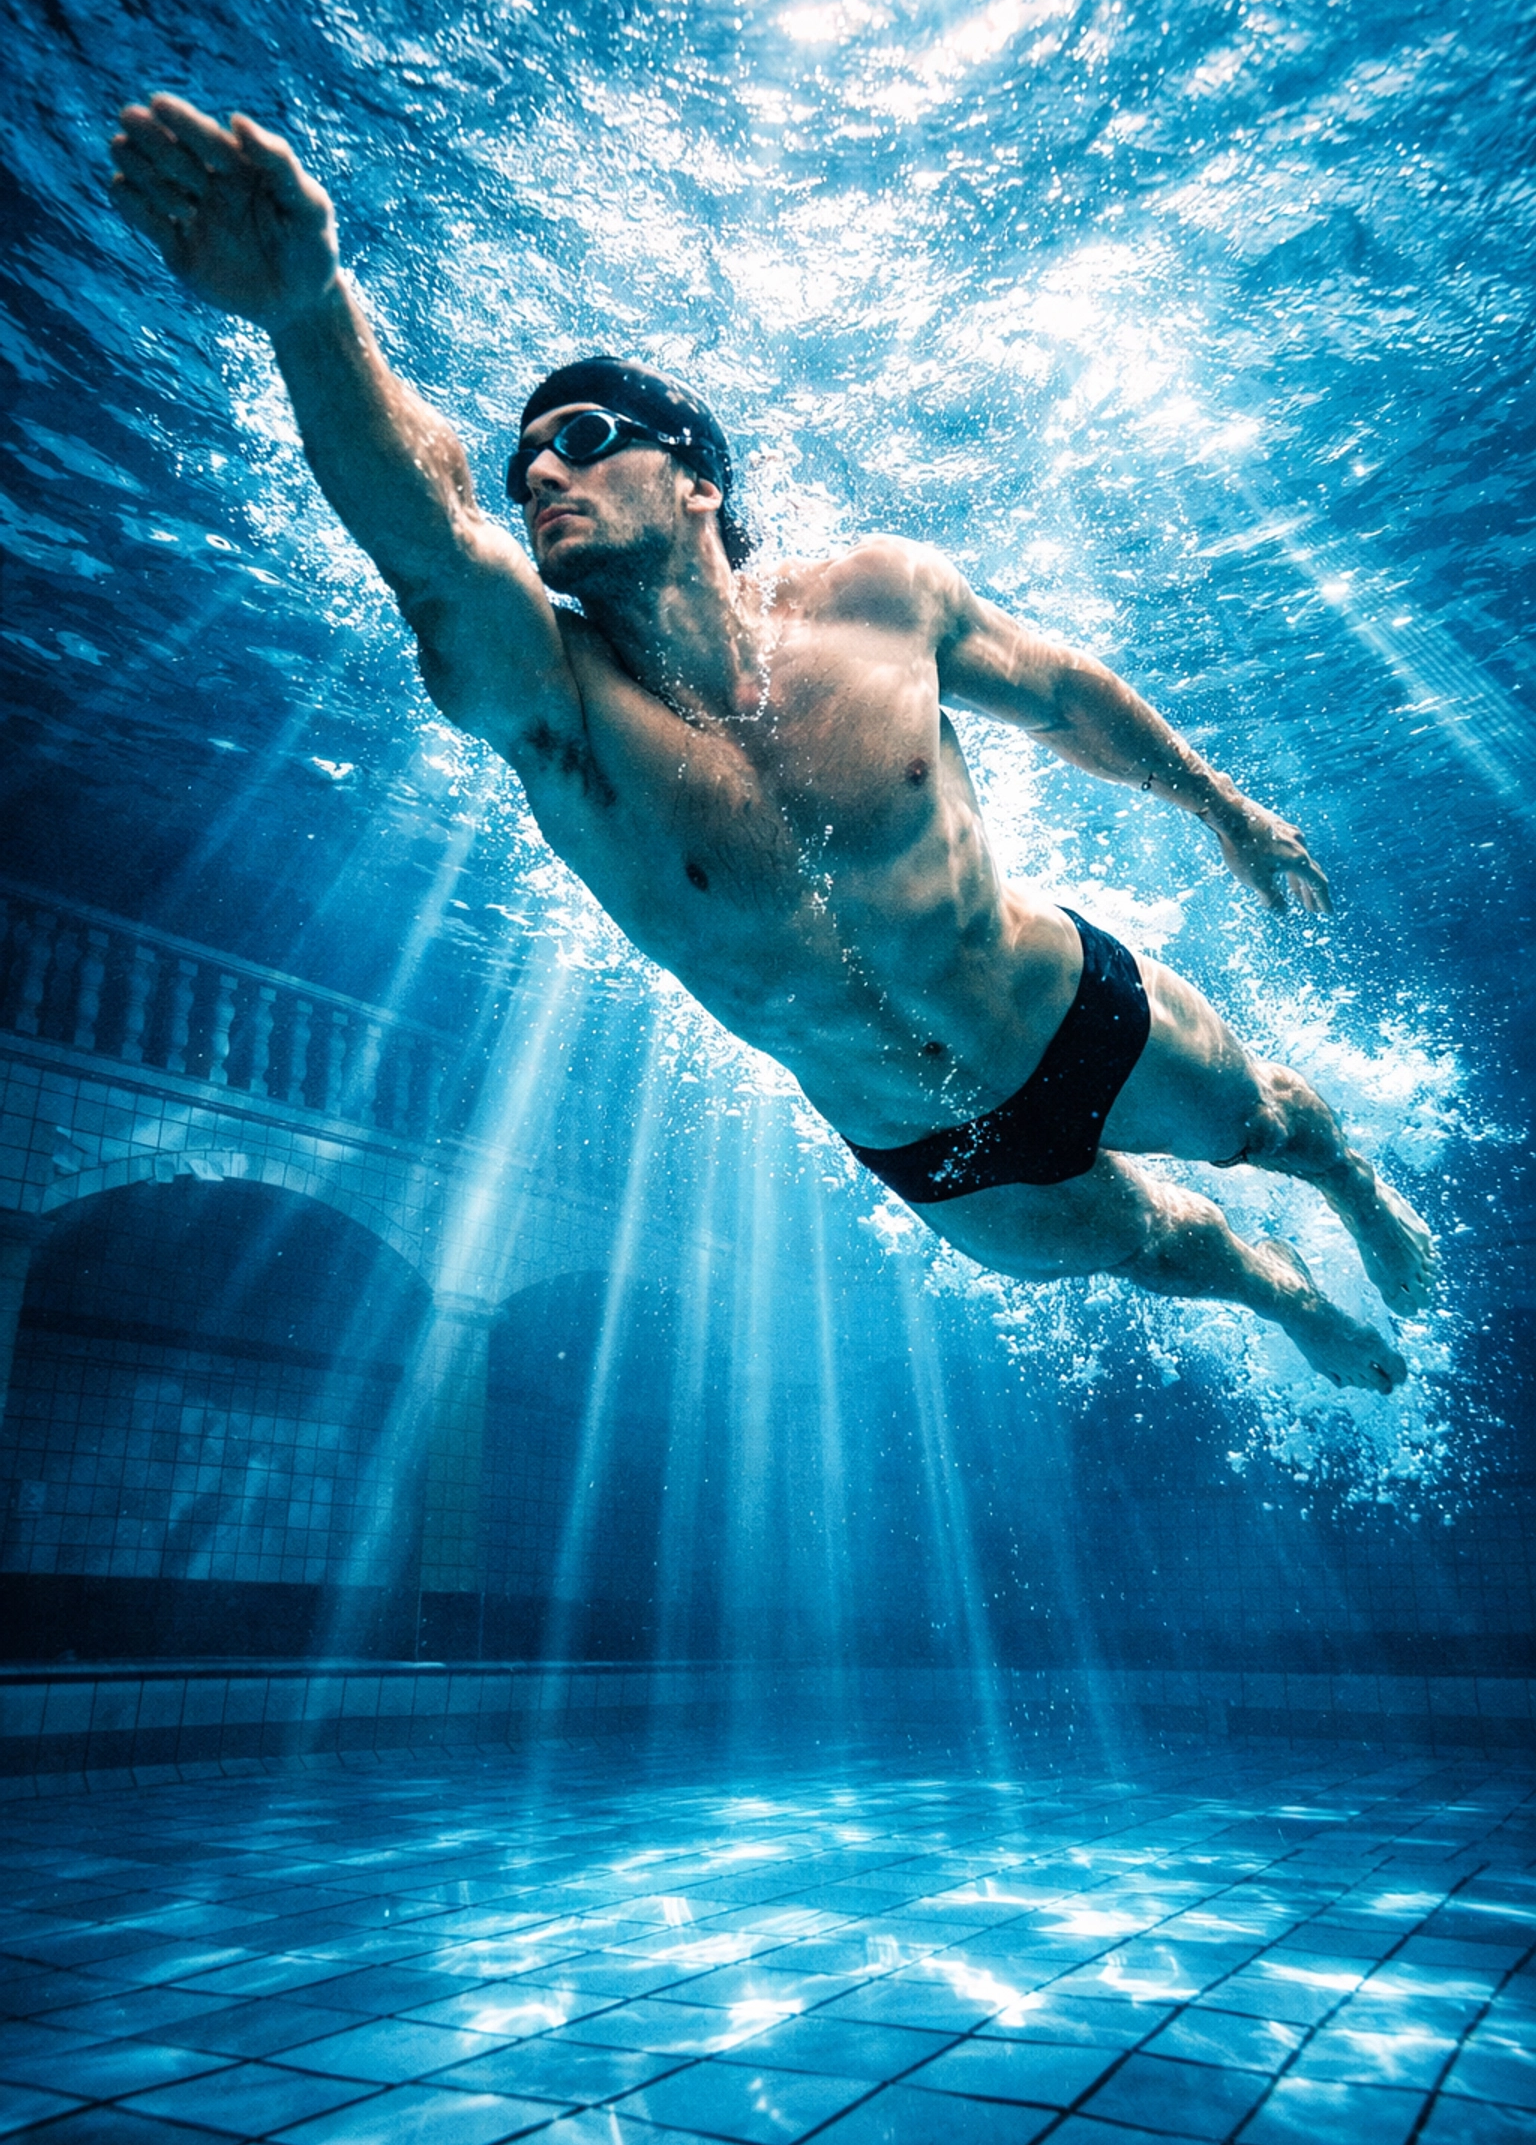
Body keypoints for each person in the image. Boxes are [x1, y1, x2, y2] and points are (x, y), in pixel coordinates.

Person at [109, 93, 1436, 1394]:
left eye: (578, 443)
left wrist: (1221, 811)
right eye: (525, 475)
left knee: (1276, 1126)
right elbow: (434, 538)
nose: (540, 483)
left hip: (1067, 1011)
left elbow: (1062, 689)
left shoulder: (876, 600)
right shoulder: (566, 714)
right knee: (1167, 1251)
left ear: (698, 478)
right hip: (928, 1145)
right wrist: (308, 310)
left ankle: (1360, 1197)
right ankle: (1287, 1295)